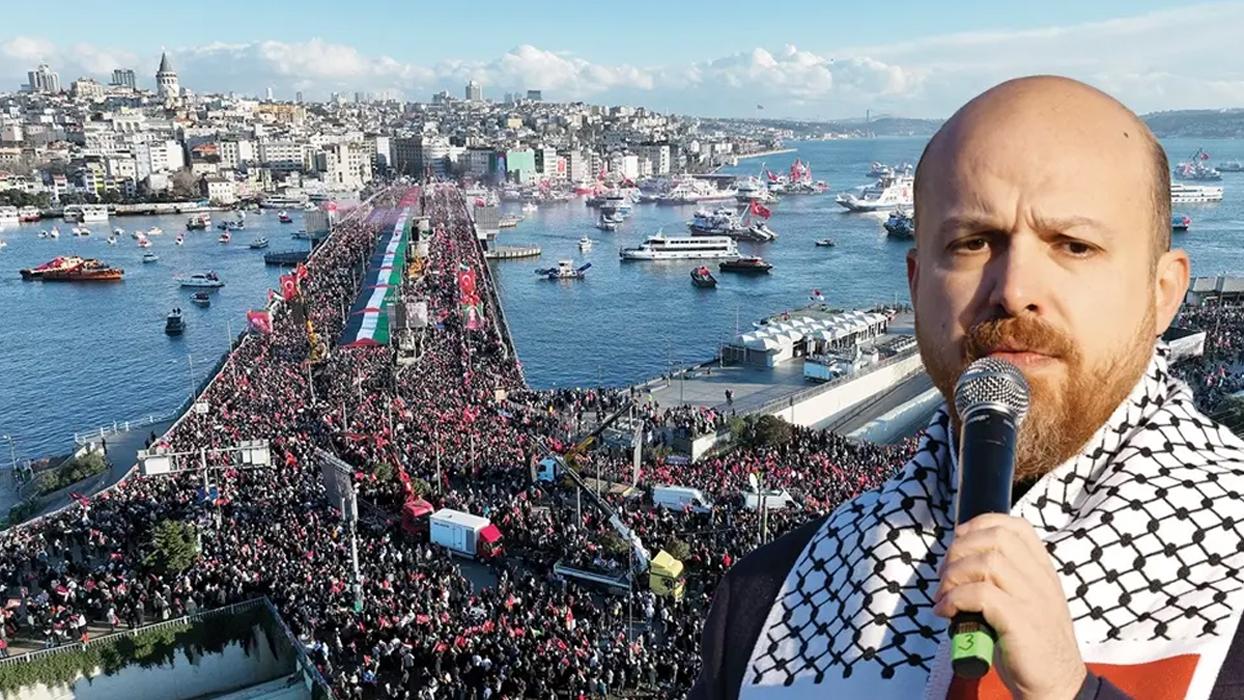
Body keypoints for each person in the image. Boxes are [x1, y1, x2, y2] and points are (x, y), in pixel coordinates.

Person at [690, 75, 1244, 700]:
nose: (1014, 289)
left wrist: (1071, 691)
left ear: (1163, 293)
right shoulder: (769, 597)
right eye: (972, 243)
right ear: (916, 285)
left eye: (1075, 245)